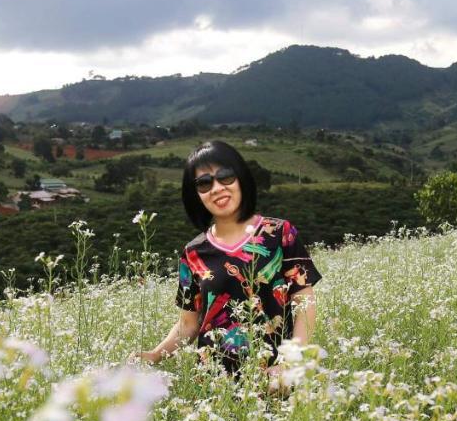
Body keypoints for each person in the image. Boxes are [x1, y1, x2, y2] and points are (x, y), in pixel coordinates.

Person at [135, 140, 321, 375]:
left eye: (225, 176)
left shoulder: (280, 233)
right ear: (196, 195)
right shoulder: (193, 253)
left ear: (241, 178)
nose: (216, 188)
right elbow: (188, 325)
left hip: (275, 379)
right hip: (215, 387)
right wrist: (154, 355)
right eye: (204, 183)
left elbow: (304, 302)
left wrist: (292, 363)